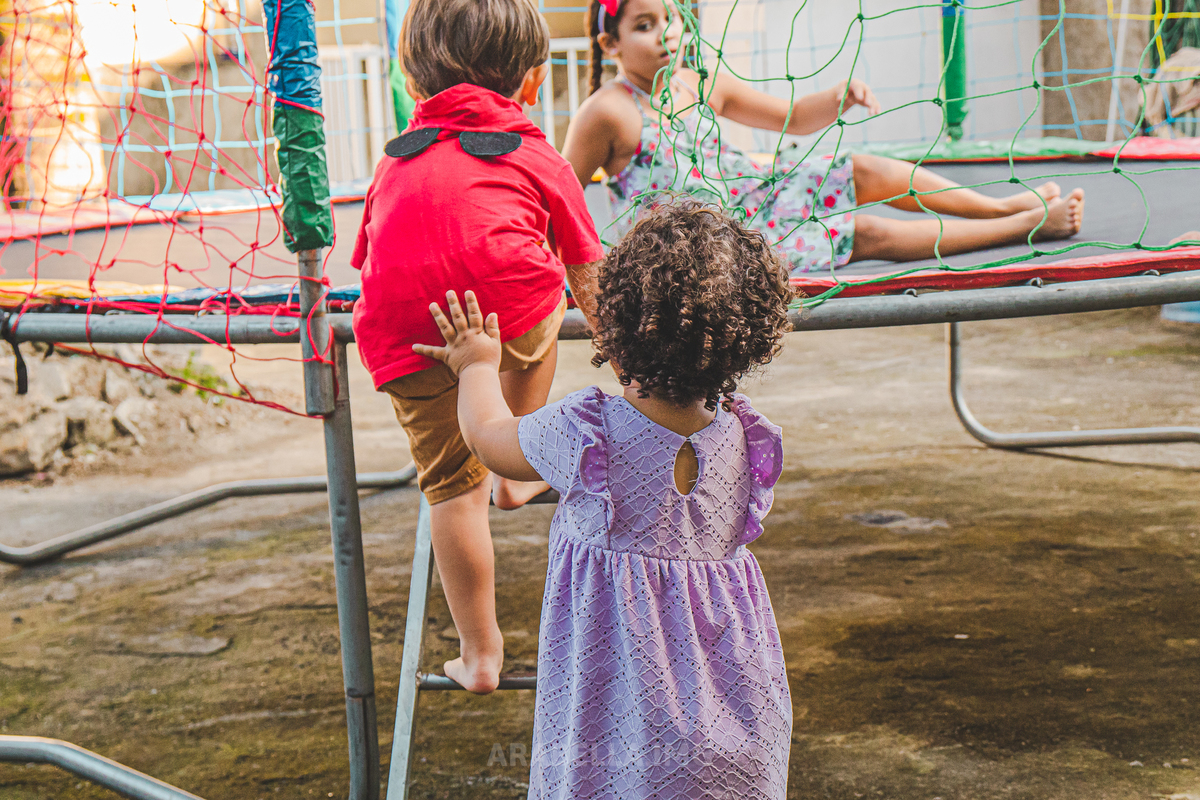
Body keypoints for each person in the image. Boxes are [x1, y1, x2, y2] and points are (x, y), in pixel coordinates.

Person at [414, 199, 794, 798]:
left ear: (614, 333)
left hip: (626, 724)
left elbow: (488, 437)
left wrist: (477, 364)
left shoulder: (586, 431)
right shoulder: (749, 438)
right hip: (738, 715)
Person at [350, 0, 604, 694]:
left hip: (405, 331)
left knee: (452, 494)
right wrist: (623, 352)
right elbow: (587, 268)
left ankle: (480, 654)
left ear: (412, 80)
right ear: (530, 82)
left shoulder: (392, 162)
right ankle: (519, 462)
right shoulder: (536, 154)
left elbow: (367, 257)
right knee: (539, 292)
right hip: (502, 317)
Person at [563, 0, 1087, 274]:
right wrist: (591, 274)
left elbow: (791, 117)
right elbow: (560, 198)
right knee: (860, 231)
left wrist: (839, 96)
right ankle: (1024, 226)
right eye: (645, 26)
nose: (668, 34)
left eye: (672, 18)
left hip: (752, 198)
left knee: (860, 167)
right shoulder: (607, 112)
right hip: (703, 249)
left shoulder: (699, 81)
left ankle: (999, 207)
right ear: (610, 43)